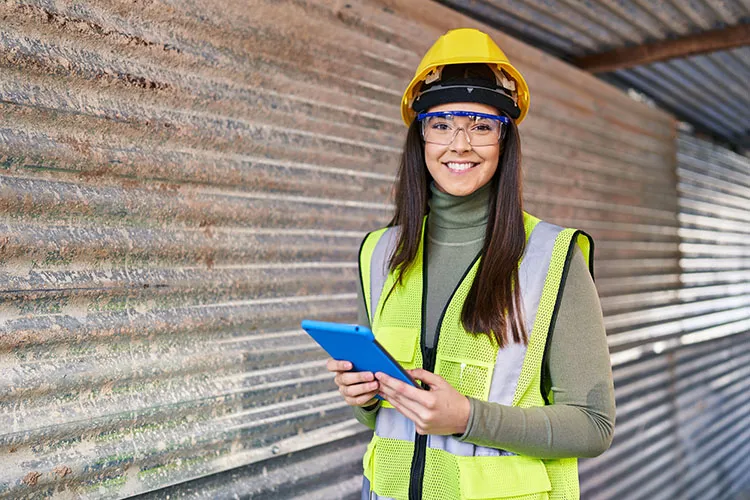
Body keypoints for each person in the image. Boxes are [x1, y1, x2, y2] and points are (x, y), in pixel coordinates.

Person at [326, 28, 615, 500]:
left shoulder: (553, 257)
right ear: (420, 135)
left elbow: (594, 424)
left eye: (481, 126)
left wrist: (468, 419)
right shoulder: (379, 251)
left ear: (505, 140)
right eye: (441, 124)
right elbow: (380, 414)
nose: (459, 144)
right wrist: (361, 397)